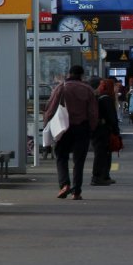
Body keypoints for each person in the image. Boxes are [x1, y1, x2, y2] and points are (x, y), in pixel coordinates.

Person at [42, 65, 98, 200]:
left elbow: (51, 108)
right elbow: (93, 112)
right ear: (82, 75)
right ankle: (76, 192)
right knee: (79, 161)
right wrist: (92, 128)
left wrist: (46, 123)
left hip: (63, 128)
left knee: (61, 156)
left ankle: (64, 185)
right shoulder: (88, 90)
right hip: (82, 128)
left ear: (69, 74)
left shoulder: (61, 87)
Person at [91, 79, 119, 186]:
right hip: (103, 131)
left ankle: (104, 176)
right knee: (101, 154)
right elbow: (112, 117)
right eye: (114, 86)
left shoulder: (100, 98)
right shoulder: (106, 99)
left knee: (104, 154)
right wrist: (116, 131)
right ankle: (98, 177)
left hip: (98, 130)